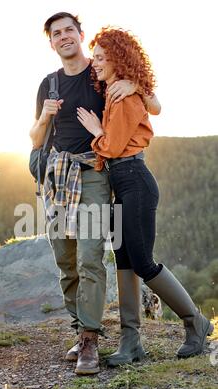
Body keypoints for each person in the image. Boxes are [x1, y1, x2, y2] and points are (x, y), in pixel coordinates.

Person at [30, 12, 161, 375]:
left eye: (69, 30)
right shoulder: (49, 84)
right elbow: (37, 138)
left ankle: (90, 338)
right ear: (52, 43)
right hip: (57, 178)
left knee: (89, 256)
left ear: (80, 34)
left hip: (93, 175)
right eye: (56, 34)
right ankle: (78, 328)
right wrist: (44, 117)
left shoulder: (100, 74)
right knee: (65, 261)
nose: (63, 36)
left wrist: (136, 86)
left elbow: (155, 106)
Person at [77, 27, 214, 367]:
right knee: (123, 257)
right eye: (94, 58)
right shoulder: (113, 92)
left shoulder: (123, 96)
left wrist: (96, 132)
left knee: (142, 261)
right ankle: (131, 341)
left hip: (135, 180)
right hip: (122, 183)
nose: (94, 63)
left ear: (117, 60)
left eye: (100, 58)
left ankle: (195, 321)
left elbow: (111, 146)